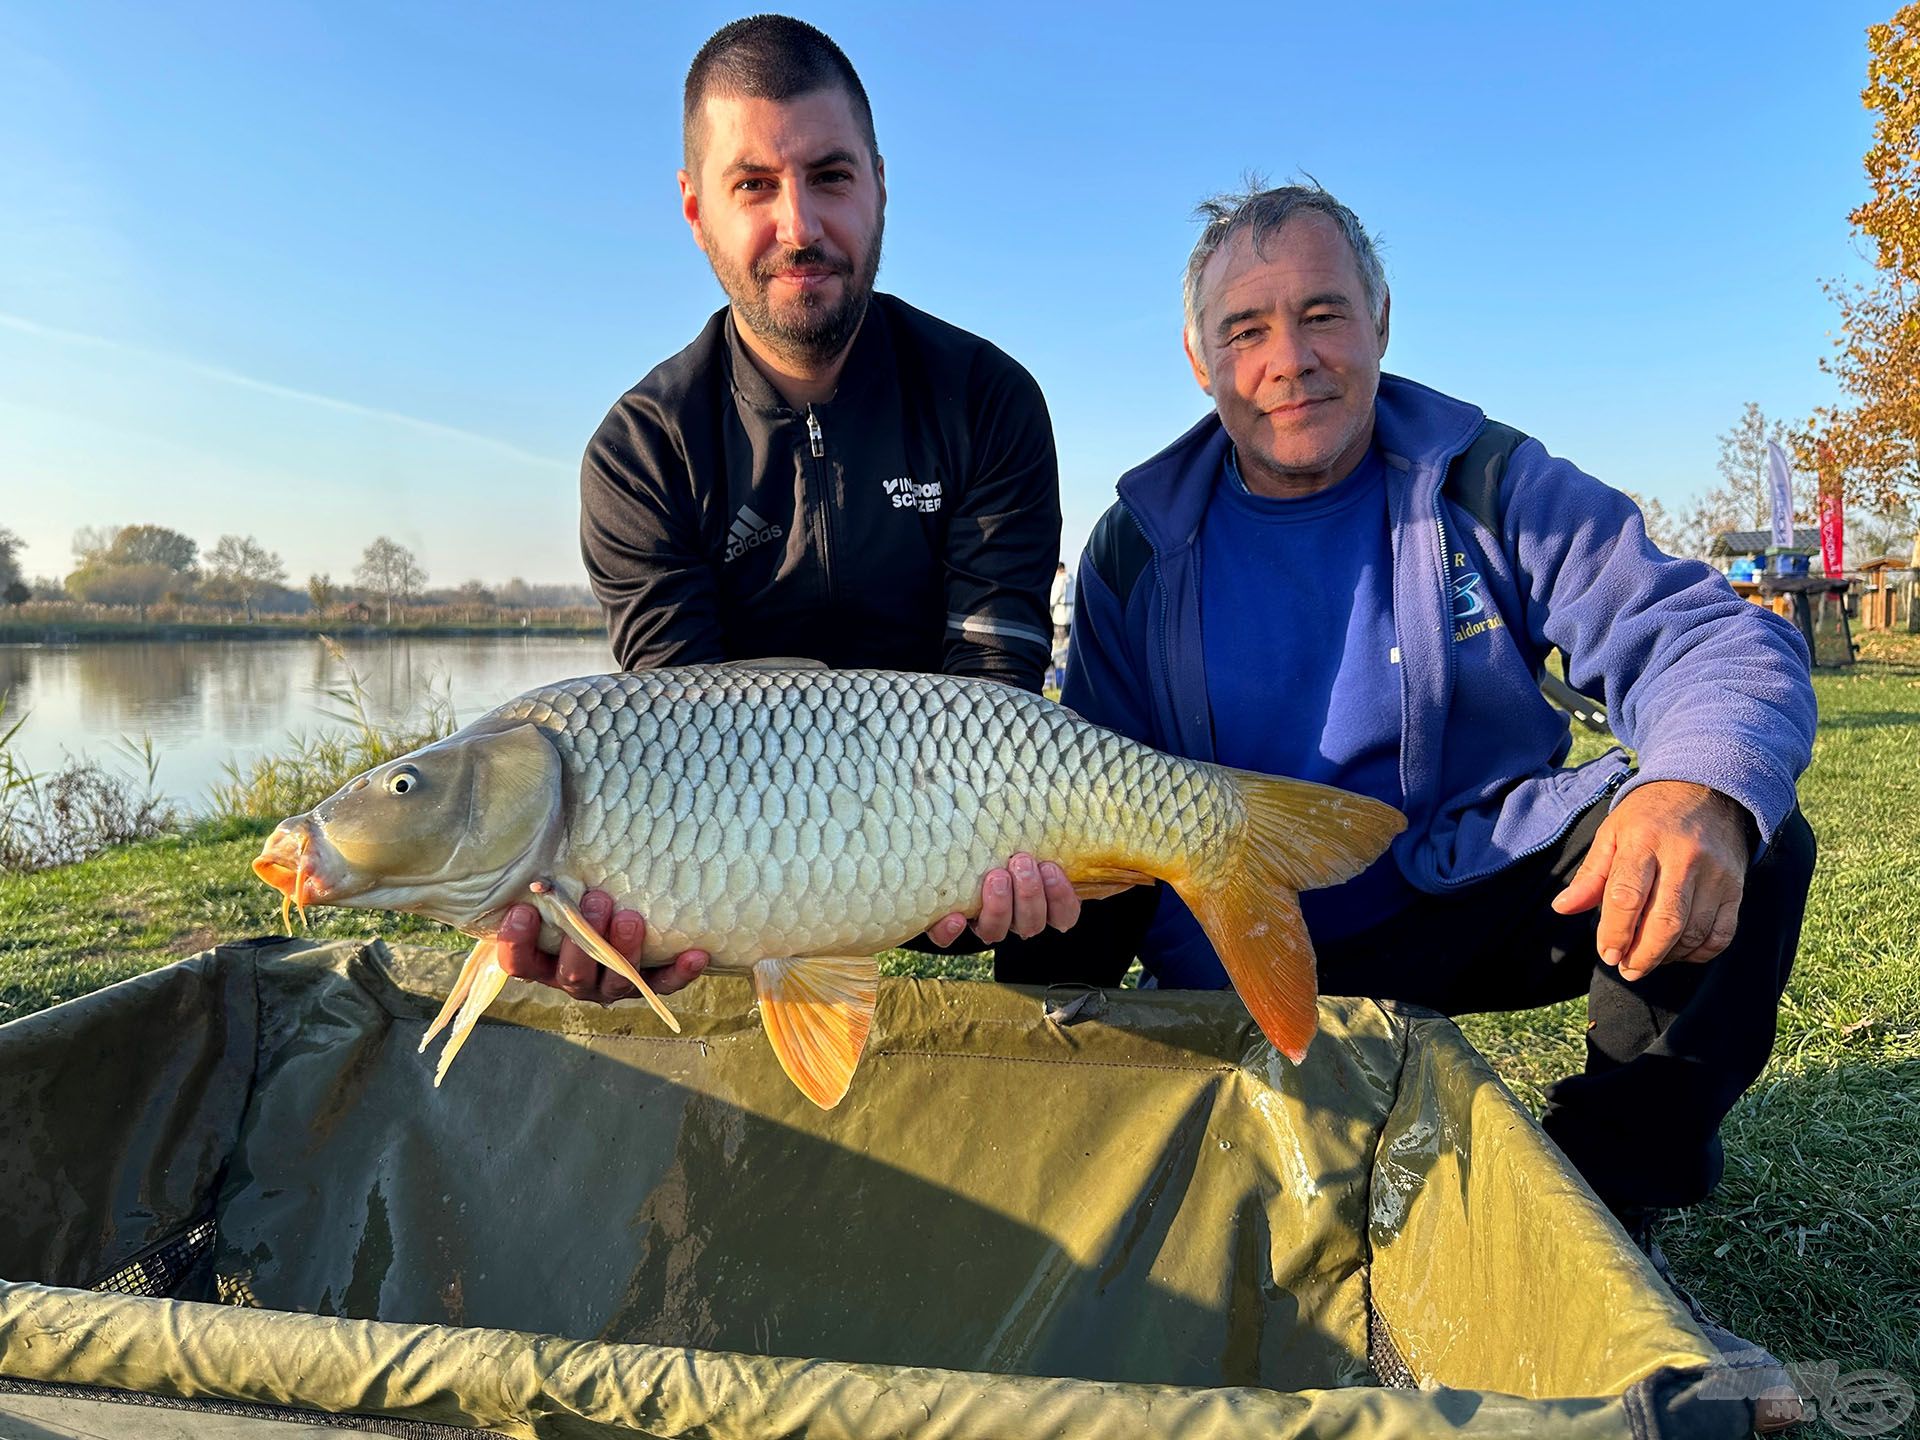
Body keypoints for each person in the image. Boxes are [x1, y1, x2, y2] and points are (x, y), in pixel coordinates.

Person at [998, 181, 1818, 1239]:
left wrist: (1696, 784)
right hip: (1236, 933)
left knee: (1749, 825)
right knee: (1062, 849)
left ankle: (1610, 1198)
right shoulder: (1133, 545)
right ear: (1200, 364)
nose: (1289, 358)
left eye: (1323, 313)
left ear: (1381, 320)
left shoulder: (1487, 478)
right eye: (1245, 330)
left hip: (1462, 889)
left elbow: (1712, 637)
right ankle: (1053, 1143)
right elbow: (1085, 767)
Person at [498, 15, 1078, 1003]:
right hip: (746, 867)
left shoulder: (989, 399)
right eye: (754, 186)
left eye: (832, 177)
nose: (800, 225)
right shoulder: (642, 450)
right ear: (695, 209)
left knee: (1088, 882)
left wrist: (978, 845)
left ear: (880, 184)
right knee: (634, 933)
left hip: (965, 852)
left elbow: (997, 693)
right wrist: (636, 918)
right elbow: (686, 749)